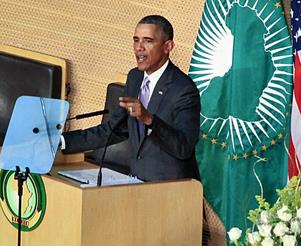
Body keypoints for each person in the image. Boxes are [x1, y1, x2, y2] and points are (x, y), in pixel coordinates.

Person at [62, 15, 200, 181]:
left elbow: (183, 147)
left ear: (167, 46)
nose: (139, 48)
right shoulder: (135, 77)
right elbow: (114, 129)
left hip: (170, 190)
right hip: (136, 185)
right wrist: (61, 141)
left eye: (148, 41)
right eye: (136, 40)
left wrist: (149, 119)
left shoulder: (184, 89)